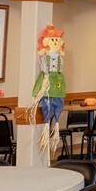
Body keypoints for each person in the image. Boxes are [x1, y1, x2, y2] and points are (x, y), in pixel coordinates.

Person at [33, 25, 67, 162]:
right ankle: (48, 131)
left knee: (56, 108)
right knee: (48, 109)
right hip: (47, 86)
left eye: (56, 40)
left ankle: (53, 127)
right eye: (52, 39)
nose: (54, 42)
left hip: (57, 87)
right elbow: (44, 70)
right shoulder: (45, 59)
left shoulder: (59, 60)